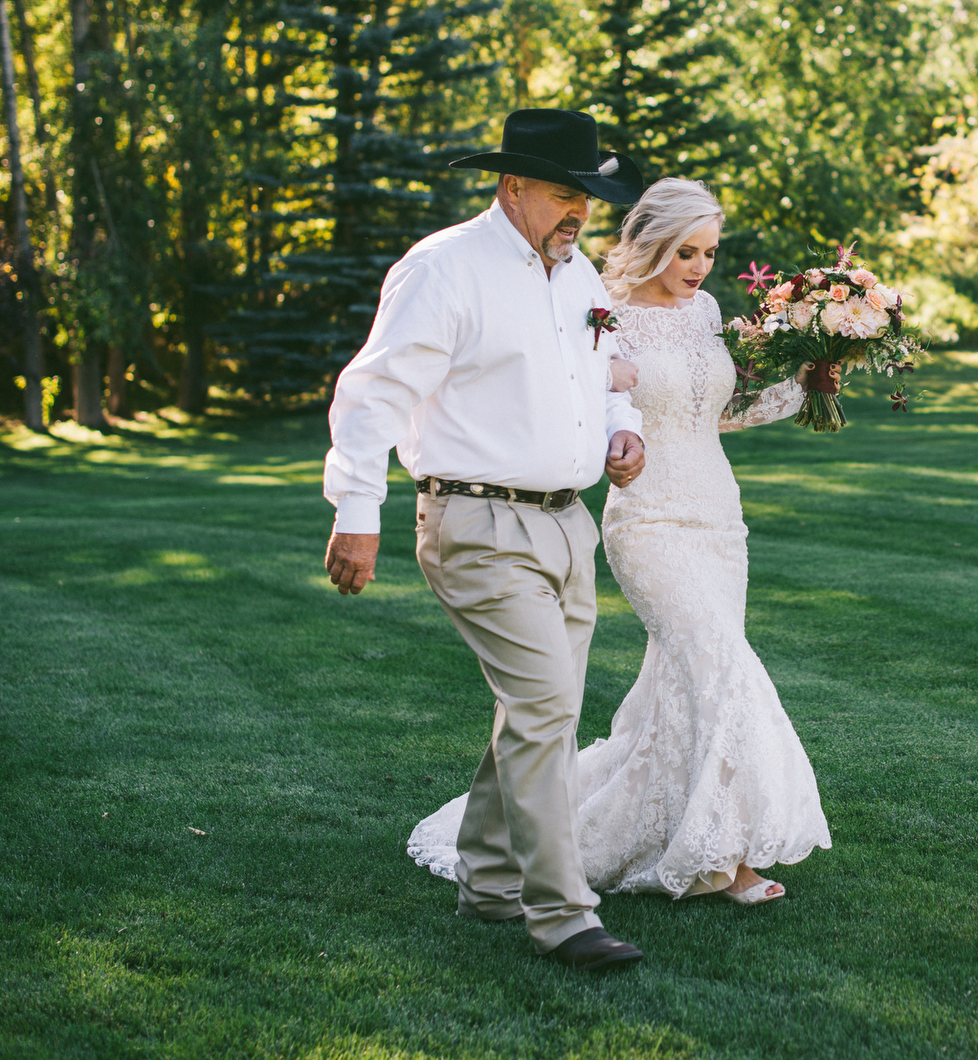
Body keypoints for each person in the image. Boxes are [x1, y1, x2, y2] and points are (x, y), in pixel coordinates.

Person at [408, 177, 832, 906]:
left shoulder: (706, 312)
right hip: (648, 521)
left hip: (719, 518)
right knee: (722, 666)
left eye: (708, 252)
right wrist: (614, 426)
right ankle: (726, 859)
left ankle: (661, 829)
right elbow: (584, 397)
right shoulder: (603, 314)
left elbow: (715, 410)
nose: (698, 268)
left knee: (683, 687)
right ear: (652, 244)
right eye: (685, 251)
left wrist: (803, 381)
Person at [322, 108, 650, 972]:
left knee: (538, 711)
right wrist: (357, 512)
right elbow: (372, 394)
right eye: (561, 193)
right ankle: (563, 912)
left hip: (566, 523)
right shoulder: (445, 268)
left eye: (586, 195)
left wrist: (623, 427)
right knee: (546, 708)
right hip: (474, 520)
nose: (579, 210)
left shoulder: (580, 278)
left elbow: (607, 375)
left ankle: (491, 880)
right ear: (511, 187)